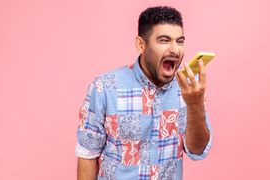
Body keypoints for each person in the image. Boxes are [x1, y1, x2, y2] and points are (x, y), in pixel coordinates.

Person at [76, 6, 212, 180]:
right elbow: (88, 153)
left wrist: (195, 107)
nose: (175, 50)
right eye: (164, 40)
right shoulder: (104, 87)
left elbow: (197, 150)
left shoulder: (190, 90)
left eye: (180, 41)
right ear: (141, 44)